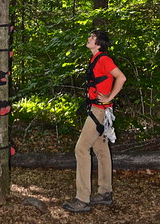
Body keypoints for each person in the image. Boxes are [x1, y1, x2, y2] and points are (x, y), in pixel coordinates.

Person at [63, 29, 126, 213]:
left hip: (100, 111)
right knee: (100, 149)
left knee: (81, 148)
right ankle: (105, 193)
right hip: (99, 110)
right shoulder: (95, 59)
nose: (88, 38)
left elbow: (121, 77)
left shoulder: (104, 59)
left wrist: (109, 98)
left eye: (92, 37)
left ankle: (82, 199)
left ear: (98, 44)